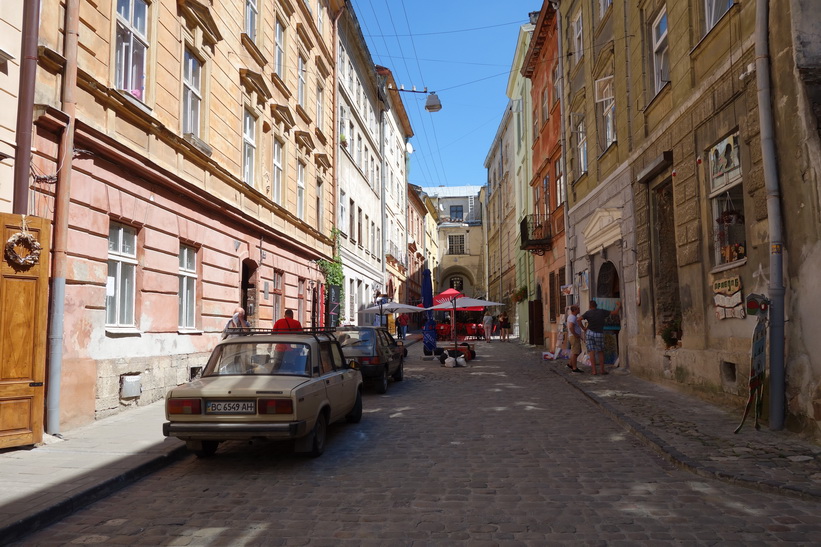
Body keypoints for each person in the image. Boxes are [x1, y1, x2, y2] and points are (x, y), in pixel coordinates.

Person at [581, 300, 621, 375]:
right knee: (600, 351)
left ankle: (594, 371)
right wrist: (619, 305)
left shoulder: (588, 313)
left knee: (591, 352)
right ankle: (602, 370)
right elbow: (615, 312)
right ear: (596, 305)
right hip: (599, 333)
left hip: (590, 333)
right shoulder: (601, 311)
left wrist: (583, 328)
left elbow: (578, 319)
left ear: (589, 306)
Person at [566, 305, 584, 373]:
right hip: (574, 336)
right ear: (575, 310)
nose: (579, 310)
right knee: (575, 352)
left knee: (576, 351)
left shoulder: (572, 317)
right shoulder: (572, 317)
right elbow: (571, 327)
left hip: (573, 336)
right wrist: (575, 334)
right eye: (578, 309)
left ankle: (570, 364)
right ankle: (574, 367)